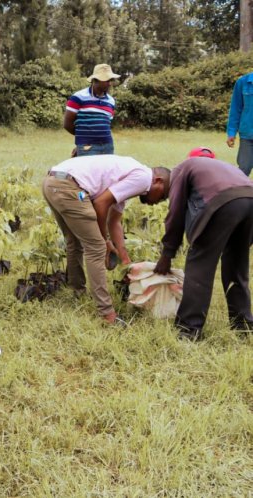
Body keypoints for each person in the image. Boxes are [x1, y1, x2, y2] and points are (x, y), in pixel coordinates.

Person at [42, 155, 170, 324]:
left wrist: (125, 260)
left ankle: (77, 292)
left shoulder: (132, 175)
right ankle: (107, 314)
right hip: (70, 188)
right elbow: (101, 204)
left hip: (52, 182)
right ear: (158, 181)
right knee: (96, 248)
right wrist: (105, 241)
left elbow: (114, 221)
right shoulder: (143, 178)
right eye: (162, 196)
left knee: (74, 241)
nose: (157, 203)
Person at [154, 156, 253, 341]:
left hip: (223, 202)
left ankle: (188, 330)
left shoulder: (179, 172)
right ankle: (243, 325)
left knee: (199, 266)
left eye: (157, 197)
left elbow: (175, 214)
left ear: (158, 179)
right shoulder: (203, 165)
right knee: (237, 266)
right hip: (250, 200)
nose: (159, 200)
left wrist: (167, 254)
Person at [64, 64, 120, 157]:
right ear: (95, 80)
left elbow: (106, 124)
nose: (109, 83)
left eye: (110, 80)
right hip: (87, 147)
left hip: (108, 147)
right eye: (106, 80)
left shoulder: (111, 101)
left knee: (106, 172)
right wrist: (82, 140)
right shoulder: (78, 97)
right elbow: (67, 124)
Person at [226, 71, 253, 175]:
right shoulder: (243, 82)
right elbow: (235, 109)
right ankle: (239, 190)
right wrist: (231, 133)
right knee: (244, 168)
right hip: (247, 135)